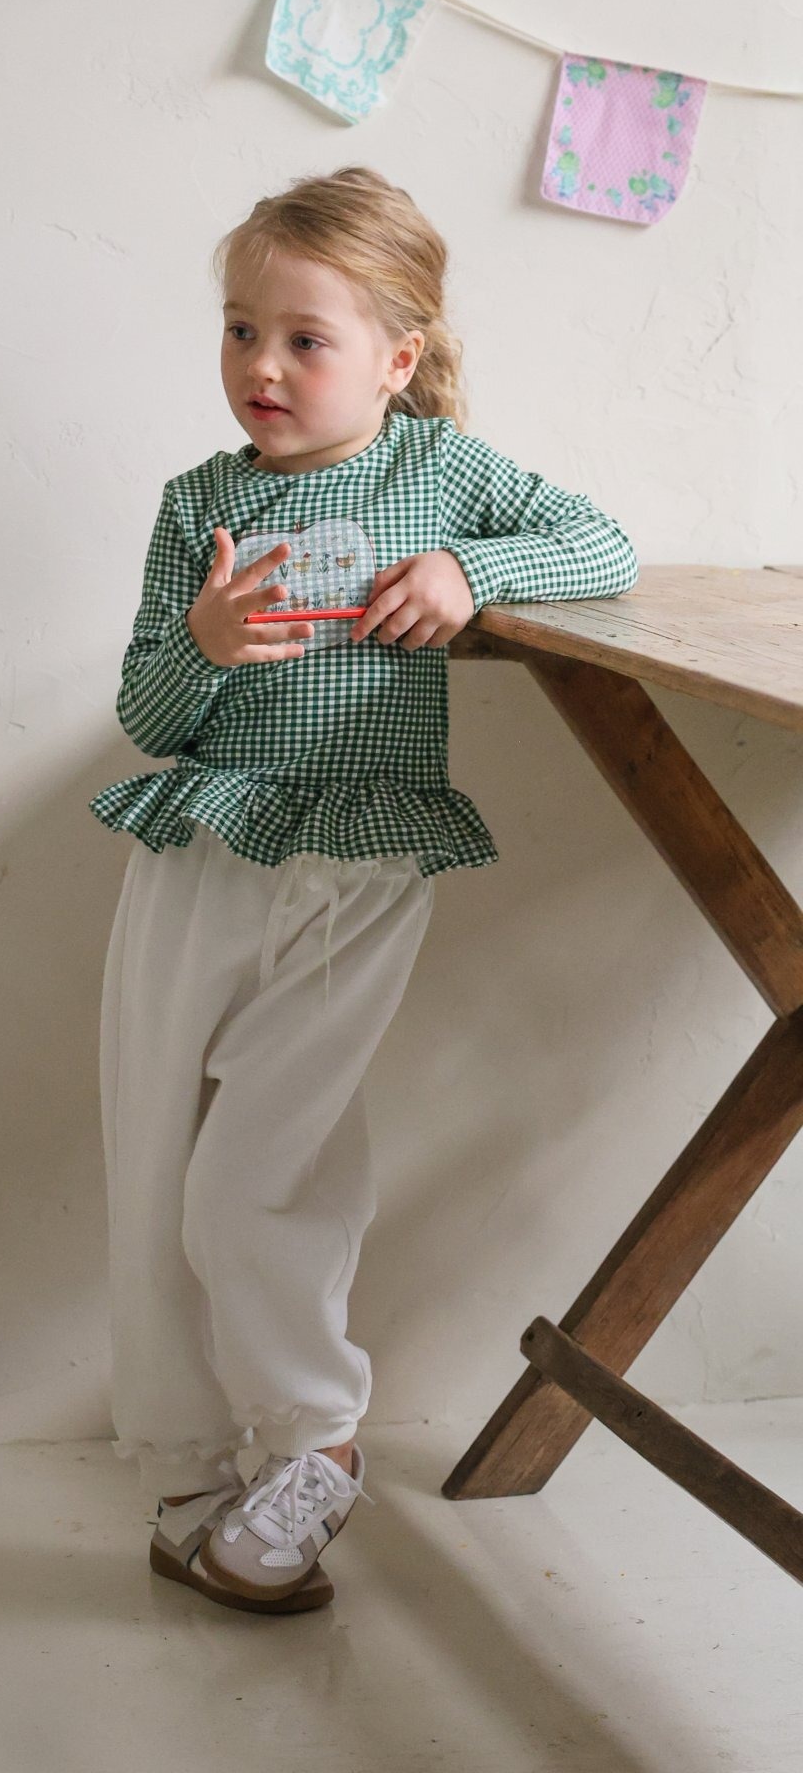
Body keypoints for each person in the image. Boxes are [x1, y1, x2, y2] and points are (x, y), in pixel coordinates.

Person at [88, 165, 639, 1613]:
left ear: (398, 358)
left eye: (304, 340)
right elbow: (149, 716)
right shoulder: (198, 504)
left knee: (257, 1180)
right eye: (240, 331)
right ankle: (194, 1466)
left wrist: (471, 571)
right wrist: (203, 642)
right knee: (157, 1170)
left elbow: (605, 547)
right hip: (201, 857)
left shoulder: (436, 472)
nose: (261, 367)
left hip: (358, 873)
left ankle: (316, 1443)